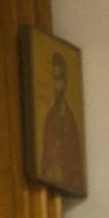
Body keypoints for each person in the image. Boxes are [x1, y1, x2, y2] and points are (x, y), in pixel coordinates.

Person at [39, 51, 84, 191]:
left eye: (59, 78)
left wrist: (63, 176)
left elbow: (76, 169)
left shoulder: (71, 121)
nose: (56, 84)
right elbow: (44, 163)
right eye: (54, 78)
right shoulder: (49, 118)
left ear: (65, 81)